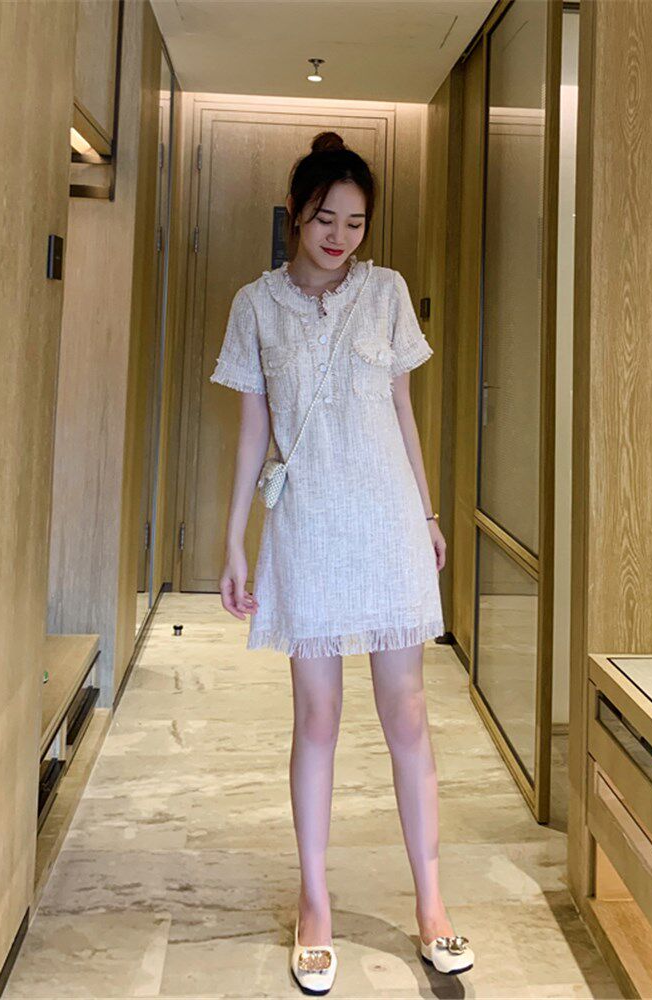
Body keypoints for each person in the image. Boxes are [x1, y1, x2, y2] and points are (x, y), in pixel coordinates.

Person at [210, 130, 474, 994]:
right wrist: (234, 538)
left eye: (356, 223)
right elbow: (253, 432)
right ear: (296, 213)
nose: (341, 237)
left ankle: (432, 905)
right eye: (327, 219)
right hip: (309, 526)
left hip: (388, 520)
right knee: (317, 716)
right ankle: (314, 902)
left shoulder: (386, 292)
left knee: (408, 713)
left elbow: (403, 410)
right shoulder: (255, 305)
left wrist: (427, 513)